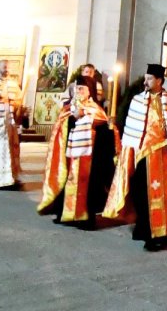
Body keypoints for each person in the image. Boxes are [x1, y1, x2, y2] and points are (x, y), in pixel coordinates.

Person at [103, 63, 167, 251]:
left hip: (160, 154)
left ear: (159, 81)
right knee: (139, 191)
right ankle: (142, 225)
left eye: (149, 79)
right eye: (145, 78)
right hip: (139, 153)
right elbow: (131, 127)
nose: (145, 82)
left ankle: (159, 234)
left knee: (157, 195)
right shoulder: (137, 100)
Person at [37, 79, 113, 227]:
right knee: (67, 181)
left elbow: (102, 123)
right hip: (69, 155)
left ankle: (84, 218)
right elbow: (60, 128)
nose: (79, 92)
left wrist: (84, 113)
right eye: (77, 89)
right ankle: (66, 214)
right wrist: (72, 117)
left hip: (88, 157)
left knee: (87, 186)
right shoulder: (67, 109)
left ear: (89, 92)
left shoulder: (95, 109)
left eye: (82, 89)